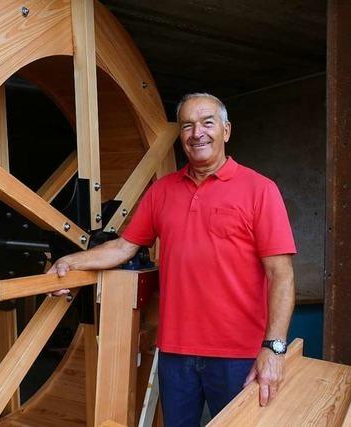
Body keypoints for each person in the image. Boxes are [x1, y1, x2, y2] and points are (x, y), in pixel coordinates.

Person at [48, 93, 296, 426]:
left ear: (226, 130)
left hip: (240, 354)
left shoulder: (260, 190)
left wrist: (274, 349)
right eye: (188, 126)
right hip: (176, 352)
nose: (198, 133)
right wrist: (71, 261)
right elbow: (124, 247)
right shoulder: (162, 191)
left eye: (207, 123)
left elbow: (281, 274)